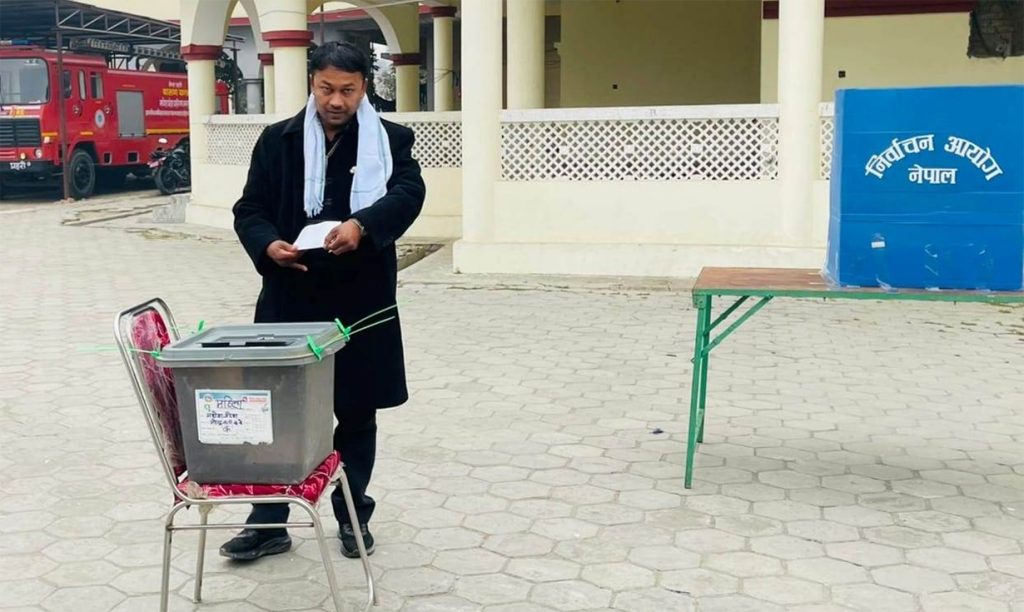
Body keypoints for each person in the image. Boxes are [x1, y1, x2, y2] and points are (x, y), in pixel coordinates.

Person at [224, 41, 425, 561]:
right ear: (311, 84)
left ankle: (353, 515)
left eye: (348, 90)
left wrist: (363, 225)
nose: (336, 101)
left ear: (365, 88)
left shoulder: (392, 140)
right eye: (326, 88)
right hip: (291, 295)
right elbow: (250, 207)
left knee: (356, 412)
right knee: (276, 413)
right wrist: (268, 243)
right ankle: (268, 521)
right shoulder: (278, 141)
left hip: (361, 300)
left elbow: (408, 194)